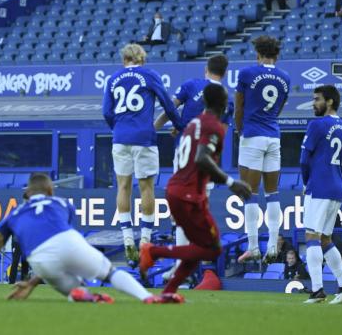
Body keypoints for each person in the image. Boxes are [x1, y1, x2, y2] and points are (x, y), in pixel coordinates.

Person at [0, 173, 165, 304]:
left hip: (39, 260)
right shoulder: (62, 203)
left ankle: (80, 294)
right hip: (68, 241)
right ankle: (147, 297)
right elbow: (60, 244)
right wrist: (32, 283)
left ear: (27, 194)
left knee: (72, 289)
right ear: (50, 191)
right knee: (110, 273)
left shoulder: (14, 214)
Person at [139, 84, 252, 300]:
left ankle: (168, 292)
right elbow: (202, 159)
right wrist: (231, 182)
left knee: (202, 248)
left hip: (182, 191)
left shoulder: (193, 124)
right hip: (187, 194)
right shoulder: (213, 126)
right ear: (220, 102)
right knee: (210, 249)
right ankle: (154, 252)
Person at [152, 54, 233, 283]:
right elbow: (221, 134)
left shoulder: (191, 85)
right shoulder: (226, 99)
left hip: (184, 155)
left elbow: (170, 107)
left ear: (206, 69)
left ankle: (181, 267)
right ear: (225, 73)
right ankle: (189, 267)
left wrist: (155, 129)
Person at [102, 43, 184, 262]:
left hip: (120, 138)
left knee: (123, 186)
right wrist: (180, 124)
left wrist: (119, 128)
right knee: (146, 188)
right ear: (142, 59)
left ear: (124, 60)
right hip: (144, 138)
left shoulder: (113, 79)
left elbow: (106, 112)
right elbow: (167, 103)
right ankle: (146, 239)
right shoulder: (149, 74)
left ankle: (128, 238)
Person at [234, 36, 290, 263]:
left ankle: (254, 246)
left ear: (258, 54)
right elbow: (278, 109)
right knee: (273, 193)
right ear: (276, 55)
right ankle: (274, 246)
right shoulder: (285, 78)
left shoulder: (247, 74)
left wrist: (240, 131)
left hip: (252, 135)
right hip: (273, 136)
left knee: (249, 193)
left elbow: (239, 107)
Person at [300, 85, 342, 304]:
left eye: (317, 99)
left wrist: (307, 183)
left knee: (311, 236)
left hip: (320, 186)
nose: (313, 103)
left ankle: (317, 290)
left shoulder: (317, 125)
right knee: (325, 238)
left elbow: (304, 160)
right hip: (337, 187)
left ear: (330, 101)